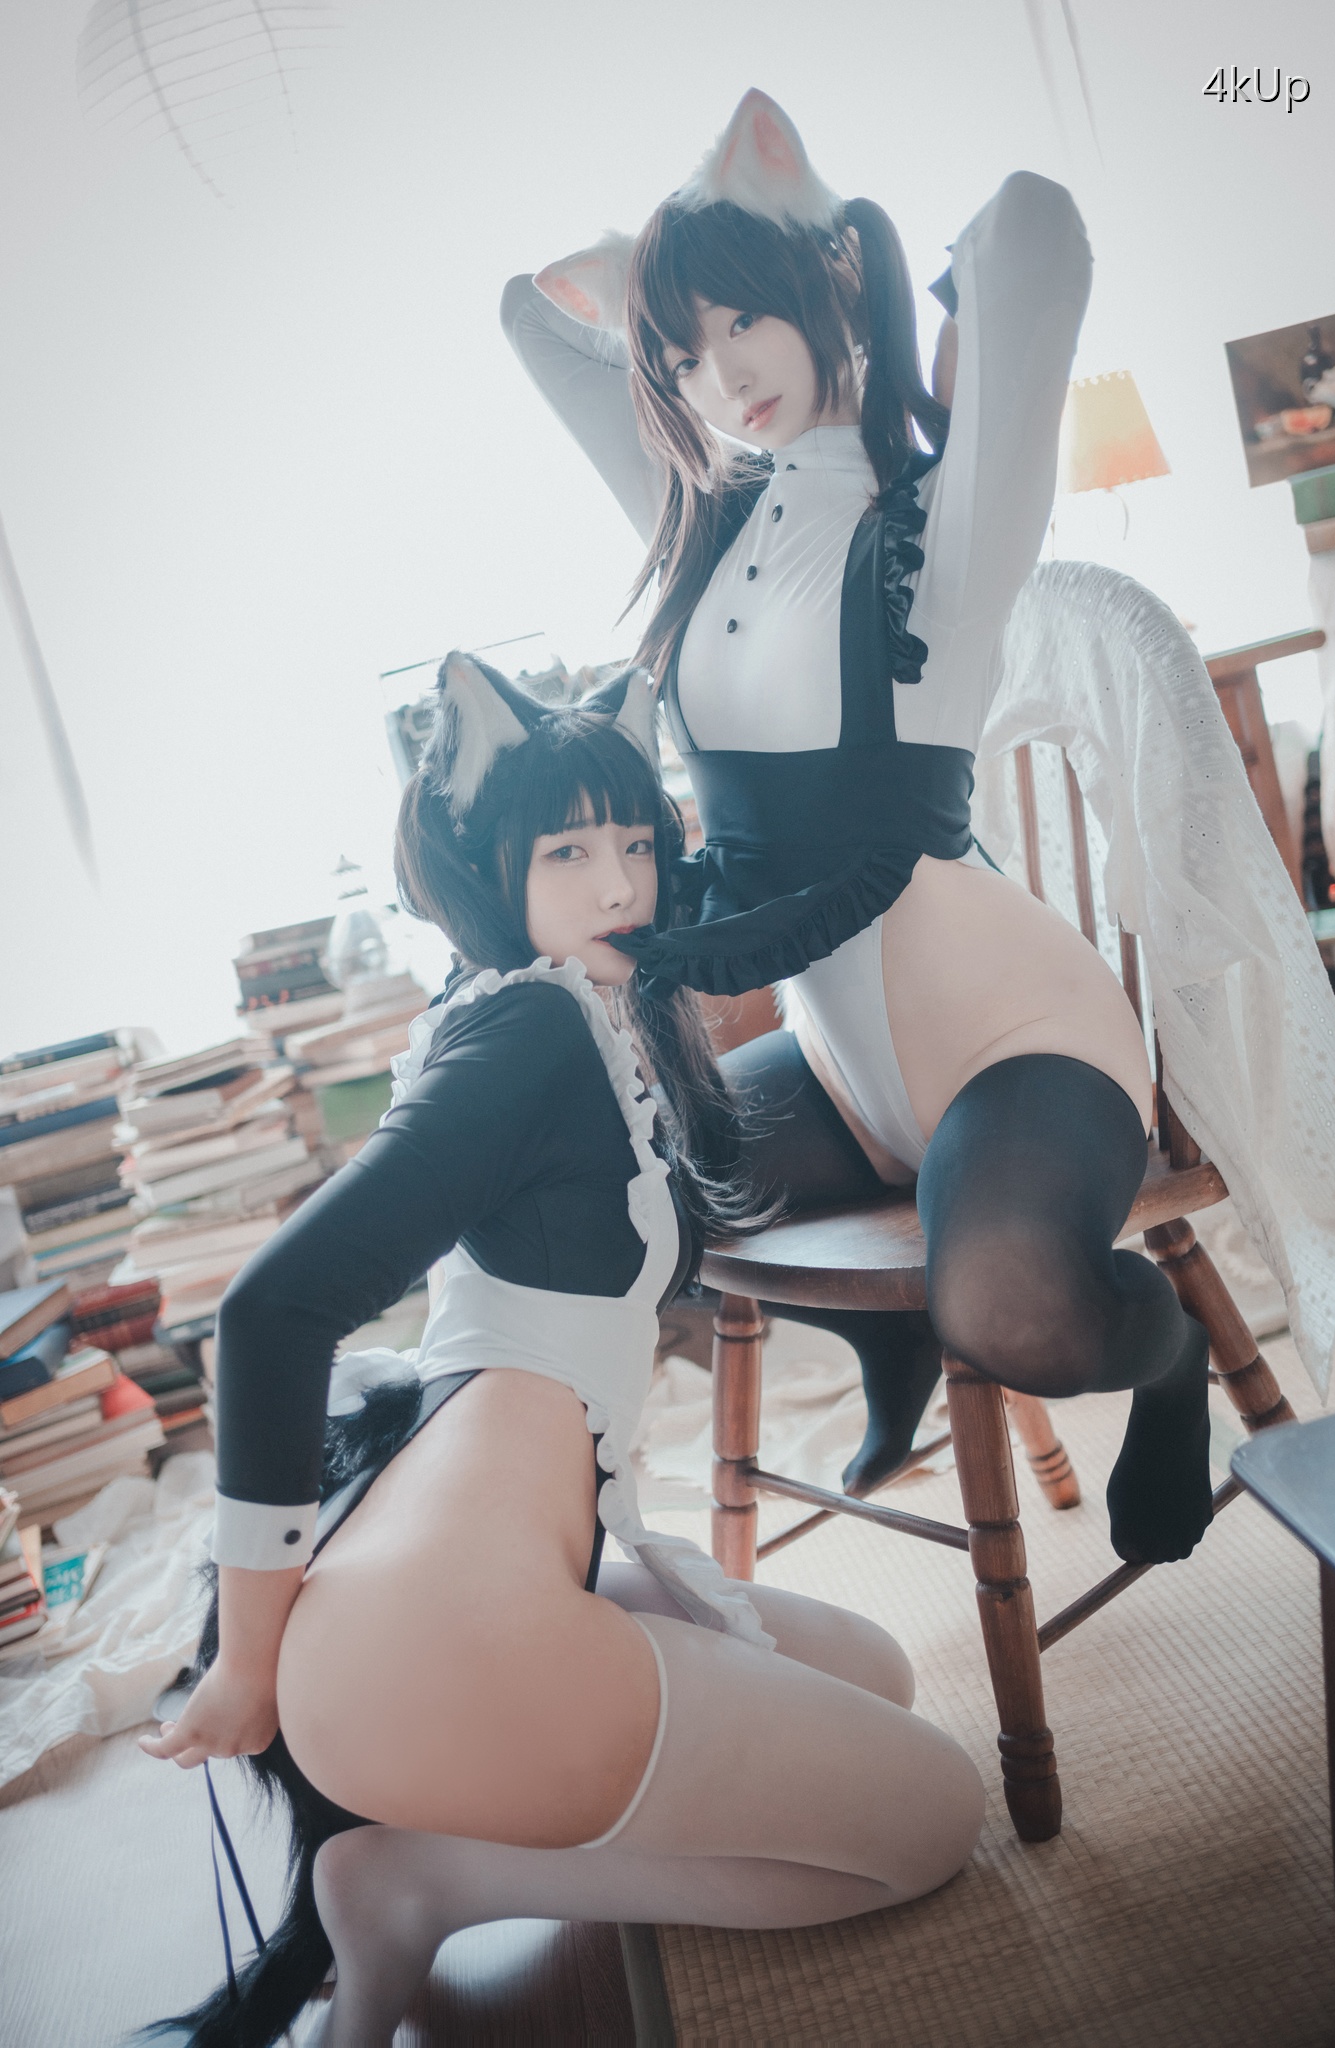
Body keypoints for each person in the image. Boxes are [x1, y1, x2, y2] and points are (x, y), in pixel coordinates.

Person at [140, 656, 984, 2048]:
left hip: (491, 1574)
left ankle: (434, 1852)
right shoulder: (527, 1032)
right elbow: (268, 1312)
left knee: (873, 1673)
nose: (619, 886)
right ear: (489, 868)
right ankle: (423, 1881)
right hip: (448, 1638)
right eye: (569, 853)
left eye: (636, 844)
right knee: (934, 1818)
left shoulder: (564, 1009)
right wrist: (247, 1658)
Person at [502, 87, 1214, 1567]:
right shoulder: (706, 527)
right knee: (629, 1205)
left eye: (741, 321)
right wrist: (649, 283)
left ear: (823, 280)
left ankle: (1167, 1352)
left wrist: (842, 250)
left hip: (1014, 1041)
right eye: (683, 355)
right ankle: (884, 1347)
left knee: (1012, 1309)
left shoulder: (940, 523)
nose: (719, 376)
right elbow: (527, 320)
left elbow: (1034, 230)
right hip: (838, 1065)